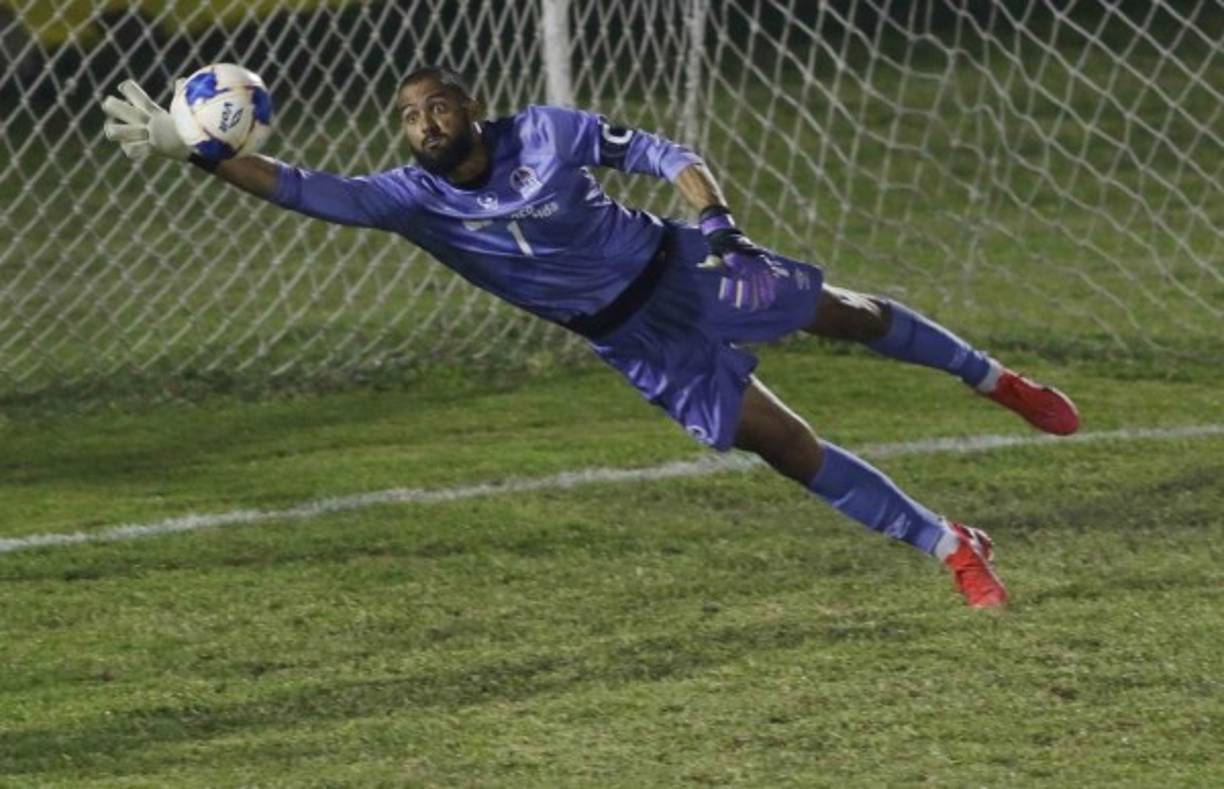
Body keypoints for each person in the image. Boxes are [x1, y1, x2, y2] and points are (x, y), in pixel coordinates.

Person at [102, 66, 1080, 609]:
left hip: (683, 266)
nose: (422, 119)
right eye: (405, 115)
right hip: (633, 340)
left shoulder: (553, 132)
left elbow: (673, 156)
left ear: (472, 106)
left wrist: (722, 228)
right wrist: (199, 153)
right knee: (783, 446)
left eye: (436, 102)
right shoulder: (410, 200)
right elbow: (299, 188)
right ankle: (949, 542)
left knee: (849, 316)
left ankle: (994, 378)